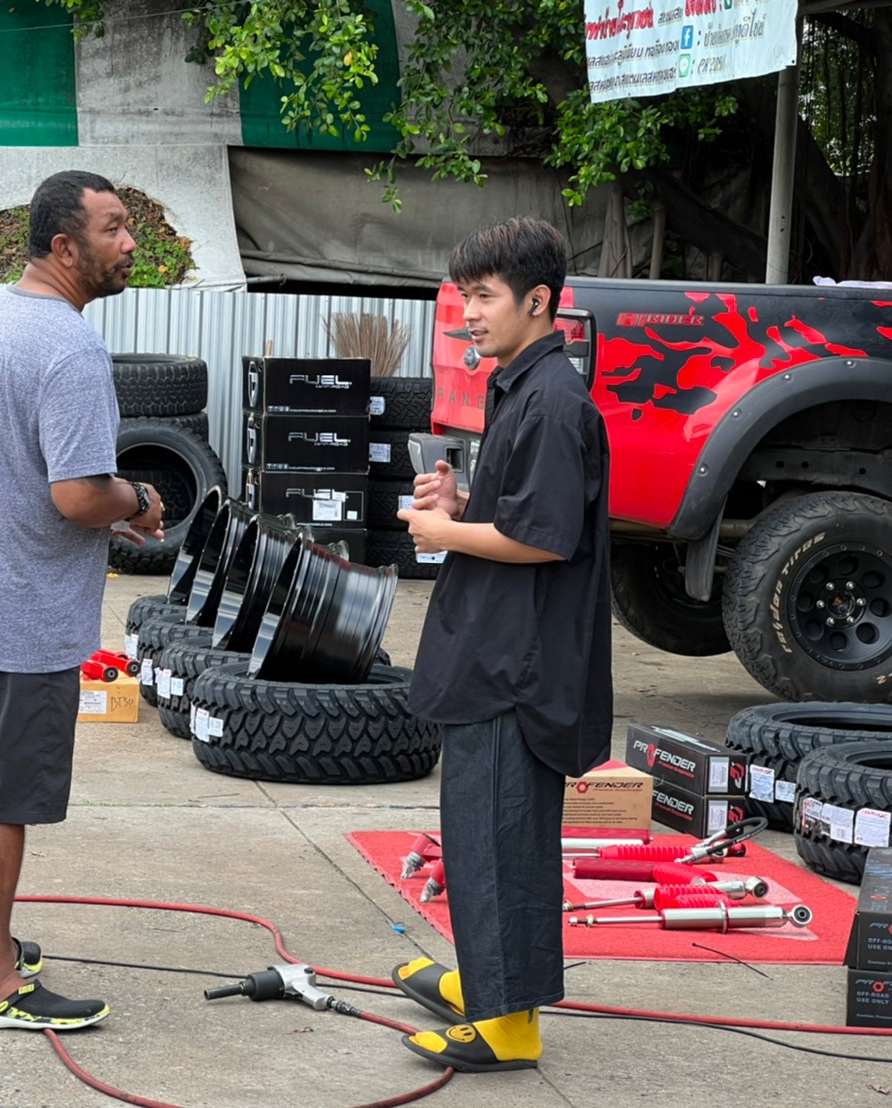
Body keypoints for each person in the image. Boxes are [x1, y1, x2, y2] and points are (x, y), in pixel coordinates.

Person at [0, 169, 164, 1032]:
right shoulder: (70, 346)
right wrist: (136, 501)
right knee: (1, 798)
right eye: (113, 228)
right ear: (63, 245)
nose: (130, 243)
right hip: (12, 614)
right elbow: (79, 495)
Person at [393, 217, 611, 1074]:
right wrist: (460, 502)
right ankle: (487, 984)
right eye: (464, 297)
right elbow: (520, 510)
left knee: (501, 841)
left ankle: (510, 1024)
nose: (469, 314)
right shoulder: (521, 386)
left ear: (538, 300)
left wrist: (442, 534)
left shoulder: (552, 402)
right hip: (493, 647)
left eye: (483, 297)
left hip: (515, 666)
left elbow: (544, 538)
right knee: (480, 834)